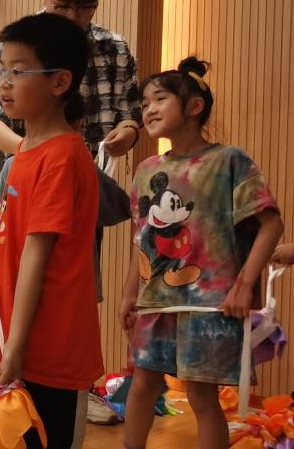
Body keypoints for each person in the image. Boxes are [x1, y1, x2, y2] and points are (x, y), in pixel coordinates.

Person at [119, 57, 284, 449]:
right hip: (155, 302)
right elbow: (141, 240)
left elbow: (271, 224)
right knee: (141, 385)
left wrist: (243, 285)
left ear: (194, 106)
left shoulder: (229, 160)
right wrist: (129, 294)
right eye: (144, 104)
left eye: (159, 99)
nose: (149, 110)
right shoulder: (145, 170)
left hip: (210, 305)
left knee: (201, 396)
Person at [0, 0, 141, 307]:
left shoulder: (113, 48)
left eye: (85, 8)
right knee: (14, 284)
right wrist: (36, 153)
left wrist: (126, 134)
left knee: (71, 290)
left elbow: (131, 115)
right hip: (24, 180)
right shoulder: (16, 46)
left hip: (80, 186)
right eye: (62, 7)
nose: (73, 17)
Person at [0, 13, 104, 449]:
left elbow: (38, 254)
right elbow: (26, 235)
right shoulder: (28, 150)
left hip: (46, 343)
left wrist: (15, 347)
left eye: (18, 71)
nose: (4, 83)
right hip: (19, 334)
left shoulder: (61, 156)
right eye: (2, 71)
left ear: (60, 82)